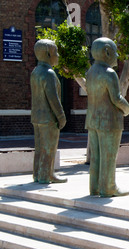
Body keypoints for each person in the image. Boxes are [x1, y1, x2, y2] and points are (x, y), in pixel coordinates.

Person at [85, 37, 129, 197]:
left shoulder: (90, 72)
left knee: (96, 156)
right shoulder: (109, 73)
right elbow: (116, 98)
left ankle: (95, 187)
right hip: (109, 121)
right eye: (114, 52)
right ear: (106, 52)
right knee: (109, 157)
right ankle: (109, 187)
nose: (117, 56)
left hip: (92, 119)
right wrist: (127, 109)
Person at [31, 39, 67, 184]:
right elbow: (53, 99)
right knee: (49, 148)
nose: (57, 55)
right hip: (48, 118)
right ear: (48, 54)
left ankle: (39, 174)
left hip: (37, 117)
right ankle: (46, 176)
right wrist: (61, 116)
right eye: (55, 52)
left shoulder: (35, 71)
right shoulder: (49, 74)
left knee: (40, 148)